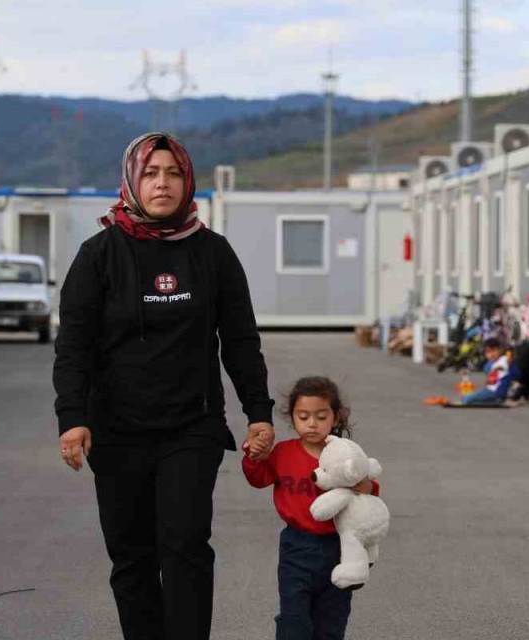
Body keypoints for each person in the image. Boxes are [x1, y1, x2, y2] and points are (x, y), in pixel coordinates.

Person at [53, 132, 277, 640]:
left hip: (190, 429)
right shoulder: (99, 255)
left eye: (173, 173)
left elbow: (240, 341)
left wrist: (258, 412)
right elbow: (74, 348)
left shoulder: (213, 253)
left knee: (185, 546)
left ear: (188, 181)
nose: (162, 183)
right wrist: (73, 419)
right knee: (131, 556)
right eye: (152, 173)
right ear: (133, 179)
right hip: (116, 431)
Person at [241, 376, 378, 640]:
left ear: (336, 418)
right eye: (303, 416)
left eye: (320, 416)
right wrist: (254, 455)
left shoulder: (346, 454)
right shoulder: (283, 452)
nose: (312, 424)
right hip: (296, 547)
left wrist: (368, 487)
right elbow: (258, 479)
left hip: (338, 547)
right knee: (294, 617)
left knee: (331, 621)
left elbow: (368, 489)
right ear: (292, 418)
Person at [462, 337, 518, 406]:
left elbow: (515, 374)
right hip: (489, 390)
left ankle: (498, 401)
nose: (491, 354)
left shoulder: (505, 360)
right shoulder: (488, 365)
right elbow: (490, 379)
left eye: (494, 350)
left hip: (497, 392)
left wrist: (510, 365)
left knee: (467, 399)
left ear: (500, 350)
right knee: (465, 398)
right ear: (485, 354)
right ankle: (496, 401)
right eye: (488, 352)